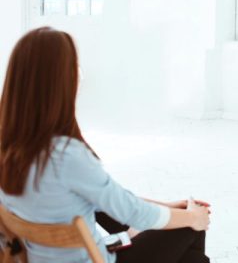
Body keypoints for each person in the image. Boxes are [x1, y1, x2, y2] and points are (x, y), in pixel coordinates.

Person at [0, 27, 211, 263]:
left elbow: (108, 197)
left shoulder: (9, 143)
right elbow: (134, 213)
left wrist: (166, 206)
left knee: (190, 255)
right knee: (191, 225)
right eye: (75, 65)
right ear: (61, 79)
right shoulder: (65, 155)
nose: (80, 73)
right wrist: (193, 217)